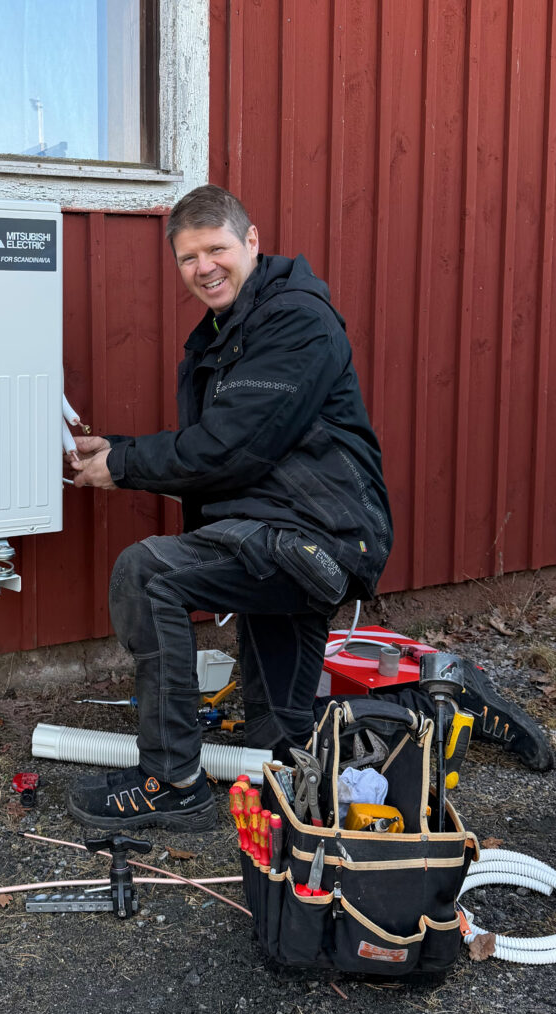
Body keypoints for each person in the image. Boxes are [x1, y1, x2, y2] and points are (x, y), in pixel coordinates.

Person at [65, 184, 393, 832]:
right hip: (286, 525)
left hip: (316, 531)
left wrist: (125, 466)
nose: (203, 267)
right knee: (277, 735)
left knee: (148, 571)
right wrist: (121, 449)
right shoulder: (228, 328)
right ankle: (289, 782)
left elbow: (231, 448)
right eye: (188, 258)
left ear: (251, 241)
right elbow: (230, 446)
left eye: (215, 248)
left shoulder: (295, 321)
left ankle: (172, 780)